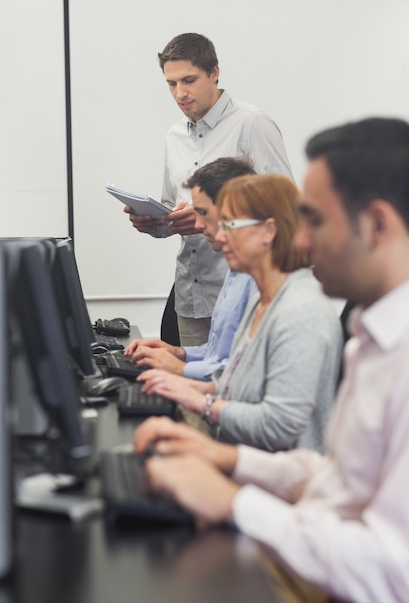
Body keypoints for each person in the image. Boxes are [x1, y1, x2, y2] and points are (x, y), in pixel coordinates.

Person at [133, 117, 409, 603]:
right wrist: (227, 458)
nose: (302, 242)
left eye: (316, 221)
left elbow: (392, 571)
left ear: (378, 224)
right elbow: (335, 475)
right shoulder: (370, 337)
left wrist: (237, 503)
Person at [138, 173, 343, 453]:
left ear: (269, 231)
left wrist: (199, 401)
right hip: (246, 456)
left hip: (278, 479)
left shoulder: (301, 311)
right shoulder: (266, 301)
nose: (219, 235)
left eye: (230, 225)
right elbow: (231, 383)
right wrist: (177, 387)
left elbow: (278, 427)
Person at [124, 33, 293, 346]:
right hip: (190, 295)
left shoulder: (252, 124)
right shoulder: (174, 135)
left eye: (189, 80)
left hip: (243, 295)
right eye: (171, 84)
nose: (180, 93)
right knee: (188, 383)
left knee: (232, 388)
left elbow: (285, 211)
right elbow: (171, 207)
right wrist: (155, 222)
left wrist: (211, 216)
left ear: (214, 72)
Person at [124, 157, 258, 382]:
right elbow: (218, 353)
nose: (196, 225)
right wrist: (178, 353)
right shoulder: (237, 272)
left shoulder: (261, 282)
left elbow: (243, 374)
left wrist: (179, 370)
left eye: (203, 213)